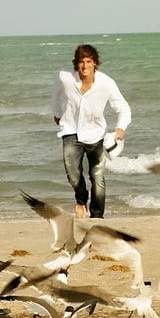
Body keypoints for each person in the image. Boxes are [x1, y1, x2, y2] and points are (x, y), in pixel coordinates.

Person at [52, 43, 131, 219]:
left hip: (96, 135)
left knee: (97, 177)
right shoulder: (65, 77)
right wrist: (57, 113)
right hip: (70, 131)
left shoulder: (106, 83)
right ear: (76, 63)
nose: (85, 65)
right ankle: (81, 199)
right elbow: (55, 95)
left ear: (95, 63)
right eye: (81, 61)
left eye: (88, 61)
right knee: (73, 175)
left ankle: (97, 216)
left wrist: (121, 127)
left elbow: (123, 107)